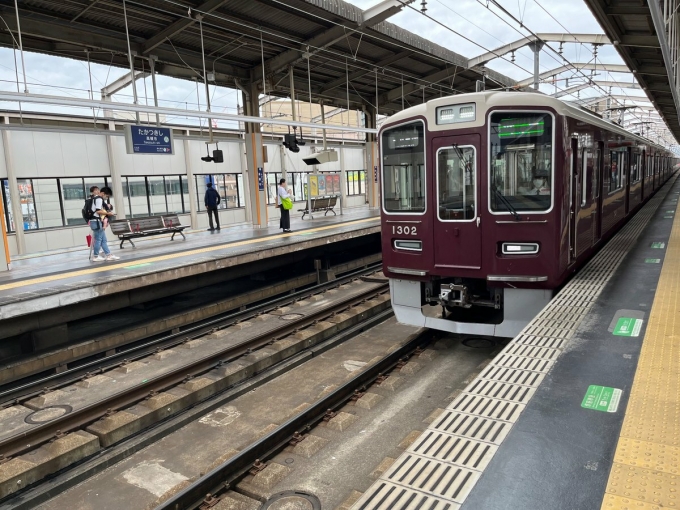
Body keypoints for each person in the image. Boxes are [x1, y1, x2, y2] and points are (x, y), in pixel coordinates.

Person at [90, 186, 119, 262]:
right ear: (103, 193)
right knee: (99, 240)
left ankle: (108, 255)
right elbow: (98, 211)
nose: (106, 198)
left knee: (103, 240)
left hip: (94, 221)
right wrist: (108, 213)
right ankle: (96, 256)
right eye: (107, 196)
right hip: (96, 221)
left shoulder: (94, 198)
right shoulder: (99, 199)